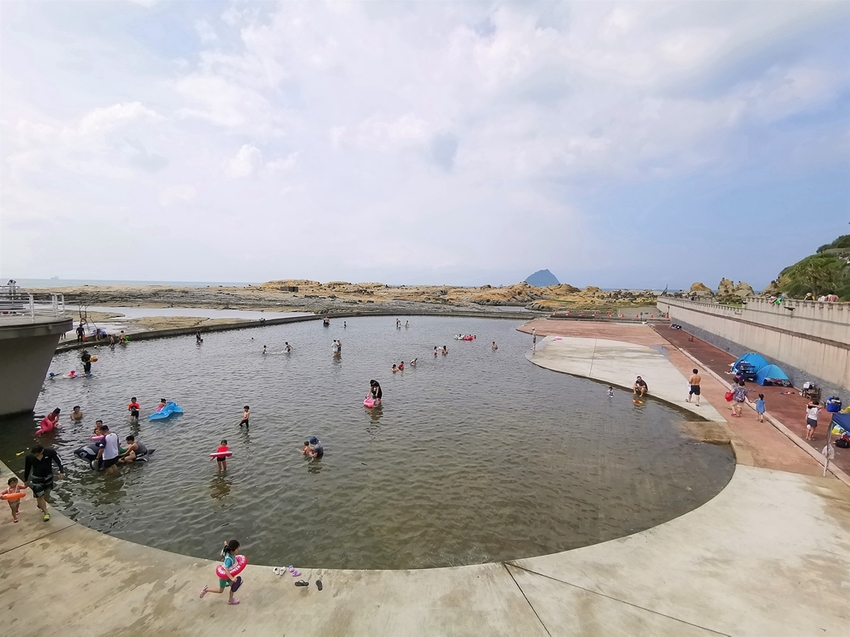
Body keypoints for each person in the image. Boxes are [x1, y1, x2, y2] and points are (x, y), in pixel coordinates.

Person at [23, 444, 65, 521]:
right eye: (34, 454)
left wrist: (61, 471)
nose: (35, 455)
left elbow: (59, 461)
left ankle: (41, 505)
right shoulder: (30, 457)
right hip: (36, 478)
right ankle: (46, 513)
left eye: (37, 454)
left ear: (42, 451)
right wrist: (26, 479)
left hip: (48, 477)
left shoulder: (50, 452)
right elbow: (27, 468)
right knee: (39, 496)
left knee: (47, 494)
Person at [200, 539, 242, 605]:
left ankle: (230, 600)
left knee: (233, 586)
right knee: (220, 591)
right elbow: (226, 570)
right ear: (233, 550)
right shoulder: (229, 560)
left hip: (228, 575)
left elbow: (225, 545)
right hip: (224, 576)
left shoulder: (228, 549)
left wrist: (225, 543)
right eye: (237, 549)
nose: (238, 550)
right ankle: (206, 590)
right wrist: (231, 578)